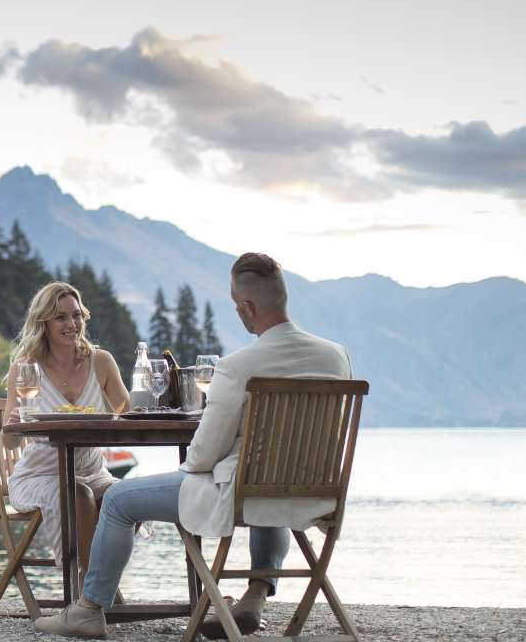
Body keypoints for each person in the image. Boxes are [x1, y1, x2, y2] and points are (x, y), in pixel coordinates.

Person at [34, 253, 353, 640]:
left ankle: (88, 609)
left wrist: (191, 470)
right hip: (314, 492)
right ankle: (254, 595)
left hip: (241, 493)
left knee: (118, 498)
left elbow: (203, 455)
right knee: (269, 484)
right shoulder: (335, 356)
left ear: (246, 308)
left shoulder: (238, 366)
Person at [4, 282, 129, 575]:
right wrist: (12, 428)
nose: (72, 324)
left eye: (77, 315)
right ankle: (87, 587)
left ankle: (100, 582)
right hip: (39, 476)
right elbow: (9, 442)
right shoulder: (25, 368)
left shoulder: (101, 361)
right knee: (79, 494)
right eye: (61, 317)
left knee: (125, 499)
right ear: (43, 323)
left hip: (94, 472)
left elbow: (128, 412)